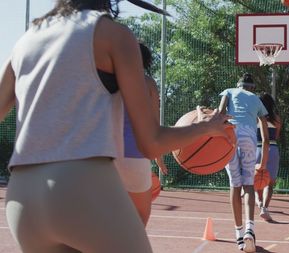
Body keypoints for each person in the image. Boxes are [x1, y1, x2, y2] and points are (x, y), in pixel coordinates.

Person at [0, 1, 231, 252]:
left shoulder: (26, 40)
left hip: (22, 196)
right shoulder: (113, 35)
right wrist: (206, 127)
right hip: (79, 182)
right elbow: (151, 143)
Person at [114, 43, 168, 226]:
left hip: (108, 156)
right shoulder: (148, 83)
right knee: (139, 222)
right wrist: (158, 158)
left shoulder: (110, 82)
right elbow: (154, 126)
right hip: (137, 157)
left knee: (110, 220)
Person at [219, 73, 269, 253]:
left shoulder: (229, 91)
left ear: (238, 85)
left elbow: (220, 114)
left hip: (230, 135)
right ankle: (250, 229)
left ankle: (239, 235)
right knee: (248, 185)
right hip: (249, 136)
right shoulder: (256, 99)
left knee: (235, 185)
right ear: (252, 87)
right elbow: (265, 134)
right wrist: (263, 159)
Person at [254, 93, 282, 222]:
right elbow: (276, 136)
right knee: (269, 182)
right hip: (273, 149)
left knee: (256, 179)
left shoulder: (254, 118)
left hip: (258, 149)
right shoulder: (276, 119)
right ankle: (264, 208)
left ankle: (258, 201)